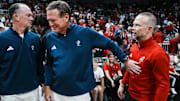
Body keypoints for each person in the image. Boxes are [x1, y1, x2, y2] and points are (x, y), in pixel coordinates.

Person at [44, 1, 141, 101]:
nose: (50, 24)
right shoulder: (50, 37)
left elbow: (110, 44)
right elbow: (49, 64)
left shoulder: (85, 33)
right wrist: (47, 86)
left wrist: (125, 60)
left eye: (53, 20)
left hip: (81, 94)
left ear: (66, 17)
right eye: (49, 20)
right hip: (57, 93)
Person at [118, 12, 170, 101]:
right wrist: (122, 84)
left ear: (149, 29)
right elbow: (130, 68)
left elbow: (163, 85)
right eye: (133, 25)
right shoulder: (134, 47)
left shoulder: (158, 54)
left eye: (137, 25)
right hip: (130, 96)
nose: (132, 28)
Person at [0, 3, 43, 101]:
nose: (32, 19)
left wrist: (43, 83)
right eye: (28, 15)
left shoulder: (35, 39)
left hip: (32, 91)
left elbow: (39, 64)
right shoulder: (2, 39)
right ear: (16, 17)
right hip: (9, 94)